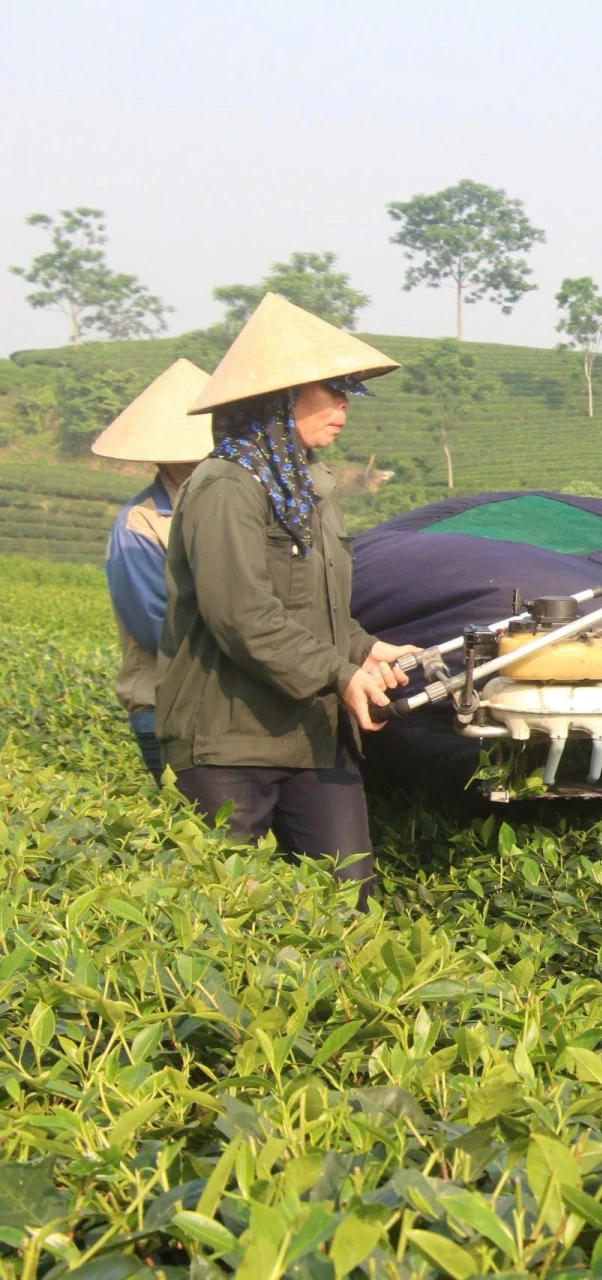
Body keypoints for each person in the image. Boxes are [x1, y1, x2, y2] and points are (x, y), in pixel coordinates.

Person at [157, 294, 415, 905]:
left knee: (350, 903)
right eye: (334, 389)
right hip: (229, 740)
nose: (346, 404)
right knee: (225, 912)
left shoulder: (310, 488)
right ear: (279, 398)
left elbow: (316, 609)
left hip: (313, 734)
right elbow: (241, 615)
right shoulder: (225, 485)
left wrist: (366, 648)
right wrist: (339, 673)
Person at [94, 359, 213, 780]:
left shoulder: (234, 508)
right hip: (168, 708)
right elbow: (157, 627)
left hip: (235, 715)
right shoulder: (140, 523)